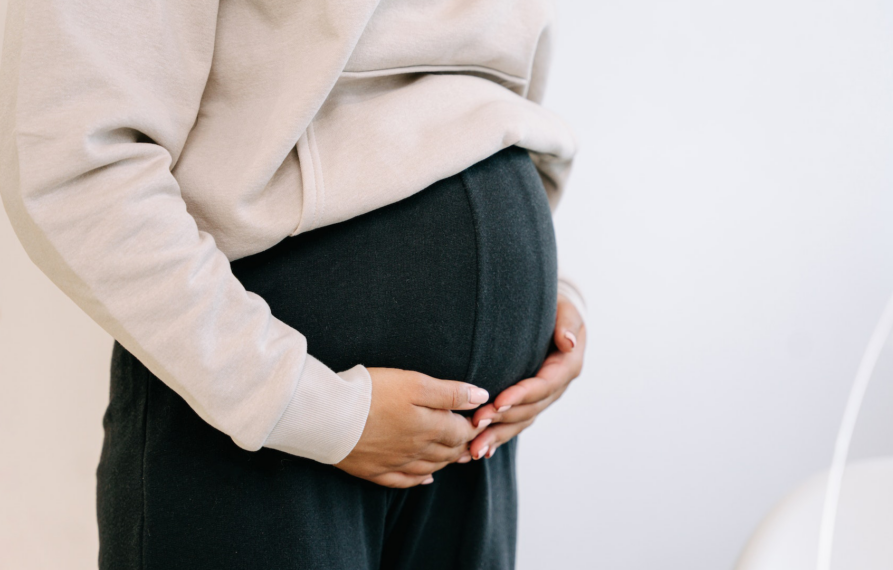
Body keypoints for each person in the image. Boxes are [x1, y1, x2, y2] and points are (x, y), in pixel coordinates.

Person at [0, 1, 587, 568]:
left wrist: (535, 294)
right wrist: (309, 406)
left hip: (475, 439)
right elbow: (76, 160)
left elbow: (476, 107)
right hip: (272, 401)